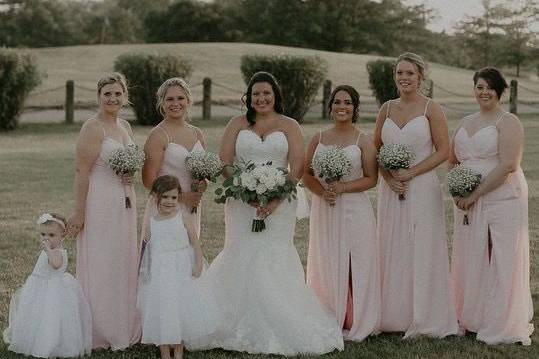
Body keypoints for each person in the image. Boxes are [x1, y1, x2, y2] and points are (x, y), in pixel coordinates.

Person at [191, 71, 344, 355]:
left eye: (267, 94)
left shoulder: (290, 125)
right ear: (248, 98)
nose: (261, 98)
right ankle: (232, 321)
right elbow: (225, 162)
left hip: (280, 203)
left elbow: (297, 167)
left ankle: (281, 318)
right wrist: (244, 192)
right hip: (240, 203)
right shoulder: (237, 124)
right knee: (241, 250)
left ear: (275, 96)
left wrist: (274, 200)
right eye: (256, 94)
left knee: (274, 254)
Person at [373, 52, 458, 338]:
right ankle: (392, 315)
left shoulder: (431, 109)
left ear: (421, 77)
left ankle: (424, 314)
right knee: (392, 244)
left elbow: (444, 150)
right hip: (391, 189)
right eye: (399, 73)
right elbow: (375, 151)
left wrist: (412, 172)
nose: (404, 78)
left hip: (422, 187)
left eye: (410, 73)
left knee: (421, 246)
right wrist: (388, 177)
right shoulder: (385, 109)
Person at [449, 67, 533, 345]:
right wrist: (457, 189)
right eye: (479, 87)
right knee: (472, 254)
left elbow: (509, 164)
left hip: (503, 196)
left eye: (489, 87)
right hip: (467, 199)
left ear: (500, 91)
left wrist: (476, 194)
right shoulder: (464, 121)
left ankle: (502, 321)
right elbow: (452, 160)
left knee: (501, 256)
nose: (484, 92)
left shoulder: (508, 121)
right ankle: (474, 316)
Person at [66, 73, 140, 349]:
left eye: (118, 94)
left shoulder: (125, 126)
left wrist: (129, 174)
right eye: (107, 93)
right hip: (100, 202)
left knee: (122, 259)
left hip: (125, 200)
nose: (113, 98)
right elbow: (81, 170)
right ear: (98, 97)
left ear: (125, 96)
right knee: (103, 261)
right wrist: (79, 212)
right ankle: (100, 328)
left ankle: (123, 322)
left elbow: (130, 163)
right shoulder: (93, 127)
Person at [304, 85, 380, 341]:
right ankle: (329, 311)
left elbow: (372, 179)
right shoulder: (319, 138)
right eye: (337, 102)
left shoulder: (362, 140)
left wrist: (342, 187)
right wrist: (322, 191)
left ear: (355, 108)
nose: (342, 107)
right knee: (326, 258)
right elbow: (306, 173)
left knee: (356, 259)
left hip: (354, 208)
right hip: (325, 209)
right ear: (330, 106)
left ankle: (355, 316)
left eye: (347, 102)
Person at [138, 175, 218, 359]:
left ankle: (179, 347)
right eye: (164, 197)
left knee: (179, 307)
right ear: (156, 197)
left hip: (181, 266)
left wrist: (198, 264)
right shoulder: (152, 221)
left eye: (173, 197)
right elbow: (146, 243)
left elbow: (195, 243)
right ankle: (165, 349)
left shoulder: (182, 216)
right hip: (160, 269)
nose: (169, 201)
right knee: (163, 307)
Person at [3, 213, 92, 358]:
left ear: (62, 235)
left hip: (53, 290)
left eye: (51, 235)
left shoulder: (57, 252)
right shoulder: (48, 250)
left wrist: (48, 250)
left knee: (51, 317)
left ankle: (49, 343)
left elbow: (56, 265)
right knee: (35, 314)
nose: (46, 238)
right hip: (39, 287)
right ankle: (32, 338)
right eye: (43, 234)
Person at [142, 77, 207, 236]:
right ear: (162, 103)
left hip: (192, 208)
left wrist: (200, 188)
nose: (175, 103)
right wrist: (183, 198)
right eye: (169, 99)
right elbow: (148, 180)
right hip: (167, 207)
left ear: (188, 101)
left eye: (180, 98)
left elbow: (204, 179)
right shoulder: (158, 135)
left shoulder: (197, 133)